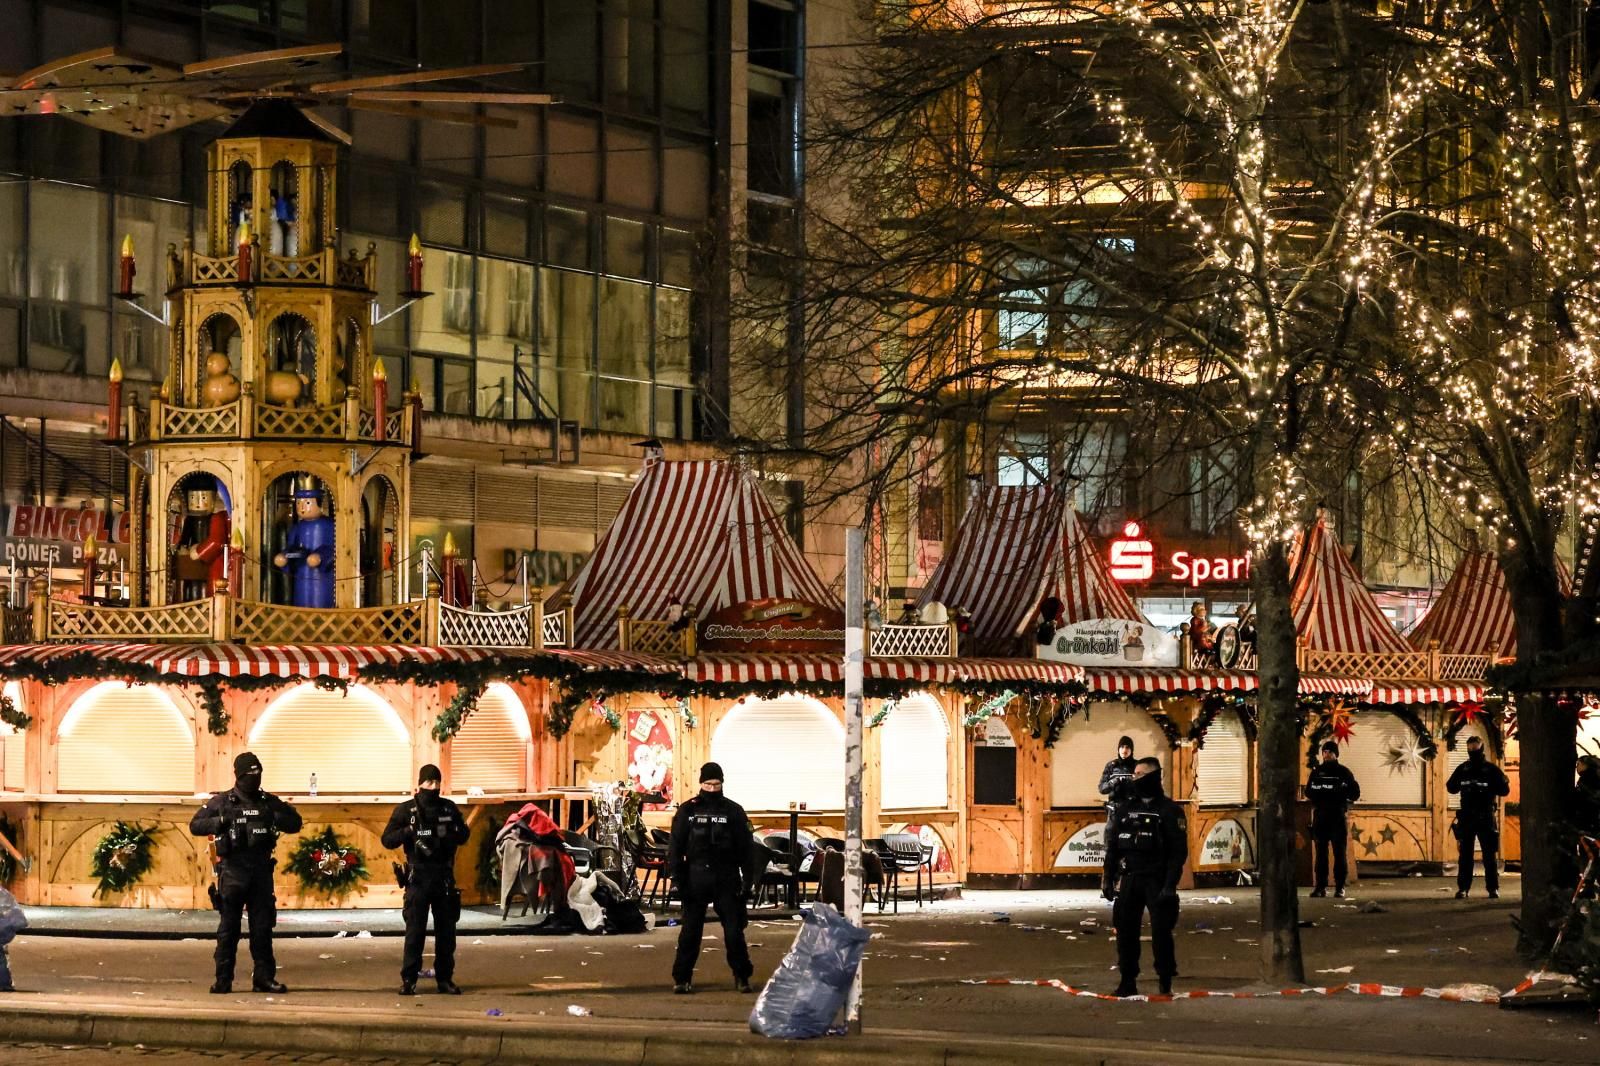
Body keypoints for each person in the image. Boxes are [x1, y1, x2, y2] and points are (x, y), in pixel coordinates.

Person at [188, 752, 302, 994]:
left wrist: (273, 816)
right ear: (239, 776)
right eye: (250, 774)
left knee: (262, 929)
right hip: (233, 872)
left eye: (258, 773)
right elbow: (195, 825)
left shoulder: (267, 801)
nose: (255, 778)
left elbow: (295, 823)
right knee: (228, 930)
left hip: (260, 871)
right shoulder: (223, 802)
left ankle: (263, 978)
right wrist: (219, 821)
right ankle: (223, 979)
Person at [667, 761, 759, 994]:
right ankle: (683, 978)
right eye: (708, 784)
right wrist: (678, 880)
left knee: (732, 931)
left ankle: (741, 976)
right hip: (699, 876)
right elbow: (676, 848)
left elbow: (746, 849)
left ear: (722, 783)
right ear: (701, 783)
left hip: (723, 876)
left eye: (716, 784)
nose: (712, 788)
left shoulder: (730, 811)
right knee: (691, 931)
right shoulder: (690, 810)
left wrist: (747, 881)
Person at [382, 764, 471, 995]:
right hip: (418, 877)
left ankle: (445, 979)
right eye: (429, 782)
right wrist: (408, 832)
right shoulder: (407, 810)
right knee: (414, 933)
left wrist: (451, 830)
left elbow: (464, 835)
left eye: (437, 783)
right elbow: (387, 839)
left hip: (443, 877)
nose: (433, 787)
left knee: (446, 934)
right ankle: (409, 980)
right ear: (420, 783)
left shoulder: (448, 809)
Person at [1102, 757, 1188, 997]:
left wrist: (1170, 885)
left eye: (1140, 774)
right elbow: (1114, 848)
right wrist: (1108, 878)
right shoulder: (1125, 809)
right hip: (1131, 878)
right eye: (1134, 774)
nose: (1135, 778)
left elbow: (1178, 852)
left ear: (1154, 776)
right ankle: (1127, 980)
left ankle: (1165, 979)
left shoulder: (1170, 811)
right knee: (1126, 931)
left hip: (1158, 880)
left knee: (1162, 931)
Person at [1447, 735, 1510, 899]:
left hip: (1485, 816)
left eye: (1475, 747)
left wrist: (1495, 784)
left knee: (1489, 855)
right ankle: (1463, 888)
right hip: (1467, 817)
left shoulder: (1491, 769)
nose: (1473, 750)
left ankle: (1492, 888)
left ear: (1481, 748)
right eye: (1470, 747)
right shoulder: (1463, 768)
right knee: (1465, 855)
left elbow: (1504, 790)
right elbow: (1451, 787)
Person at [1304, 741, 1361, 898]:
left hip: (1337, 816)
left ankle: (1340, 886)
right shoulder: (1316, 772)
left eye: (1330, 751)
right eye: (1324, 751)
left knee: (1339, 853)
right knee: (1320, 854)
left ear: (1336, 754)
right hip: (1321, 816)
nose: (1327, 754)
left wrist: (1341, 790)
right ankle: (1320, 887)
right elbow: (1309, 791)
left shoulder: (1344, 772)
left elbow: (1355, 793)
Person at [1098, 736, 1137, 817]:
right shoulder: (1111, 765)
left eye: (1127, 747)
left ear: (1131, 750)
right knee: (1111, 829)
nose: (1124, 750)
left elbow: (1146, 787)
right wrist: (1114, 782)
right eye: (1122, 747)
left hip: (1133, 808)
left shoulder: (1138, 765)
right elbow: (1102, 789)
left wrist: (1131, 781)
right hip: (1114, 809)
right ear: (1118, 749)